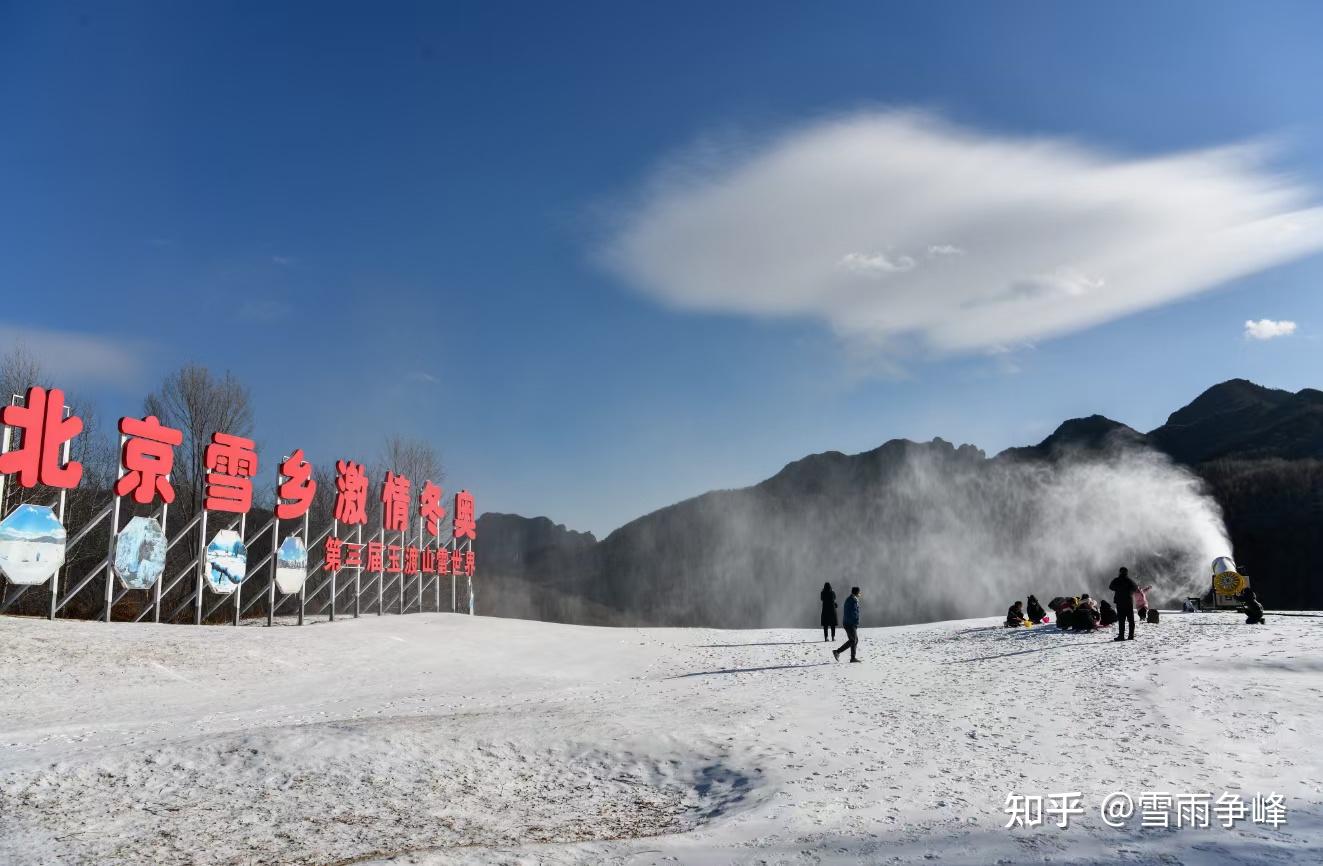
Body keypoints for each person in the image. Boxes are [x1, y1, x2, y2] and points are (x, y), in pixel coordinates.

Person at [1109, 566, 1139, 641]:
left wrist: (1118, 589)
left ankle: (1121, 636)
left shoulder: (1117, 580)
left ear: (1120, 572)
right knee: (1131, 620)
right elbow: (1135, 588)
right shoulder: (1129, 580)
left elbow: (1111, 587)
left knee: (1121, 620)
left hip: (1120, 602)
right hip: (1128, 602)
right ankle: (1131, 636)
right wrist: (1130, 591)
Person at [833, 587, 862, 663]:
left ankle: (853, 658)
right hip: (850, 623)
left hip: (849, 623)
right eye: (859, 593)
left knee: (854, 640)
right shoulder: (852, 601)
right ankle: (837, 652)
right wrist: (856, 621)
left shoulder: (851, 599)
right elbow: (854, 613)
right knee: (853, 640)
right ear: (856, 593)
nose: (860, 594)